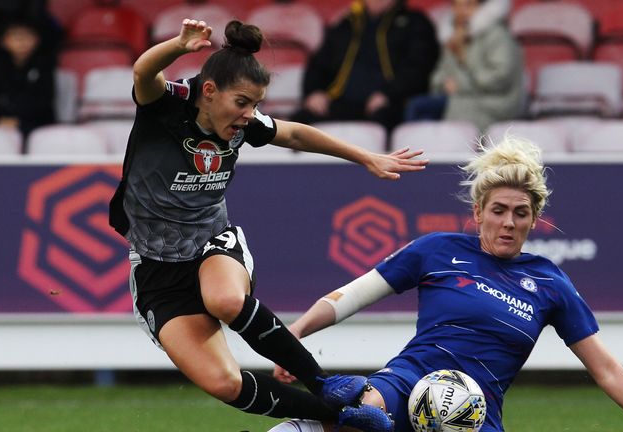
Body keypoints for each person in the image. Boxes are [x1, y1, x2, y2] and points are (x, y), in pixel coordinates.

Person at [109, 18, 430, 432]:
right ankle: (344, 418)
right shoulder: (166, 106)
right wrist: (179, 45)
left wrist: (366, 156)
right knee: (224, 384)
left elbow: (294, 134)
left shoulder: (245, 124)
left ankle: (323, 382)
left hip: (213, 241)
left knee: (224, 300)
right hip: (156, 267)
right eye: (242, 103)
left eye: (255, 105)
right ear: (209, 91)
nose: (249, 115)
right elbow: (142, 73)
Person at [269, 135, 623, 432]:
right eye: (498, 210)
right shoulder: (436, 249)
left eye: (520, 213)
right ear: (478, 212)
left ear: (535, 219)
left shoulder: (550, 283)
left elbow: (605, 368)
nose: (508, 222)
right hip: (405, 382)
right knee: (365, 409)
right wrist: (297, 332)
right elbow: (352, 295)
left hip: (475, 412)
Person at [290, 0, 439, 133]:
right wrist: (314, 92)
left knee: (383, 122)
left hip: (388, 106)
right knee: (294, 125)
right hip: (339, 103)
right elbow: (318, 64)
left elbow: (419, 68)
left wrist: (388, 94)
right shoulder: (347, 24)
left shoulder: (415, 22)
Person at [404, 0, 524, 131]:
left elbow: (500, 78)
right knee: (419, 110)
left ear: (483, 8)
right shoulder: (453, 36)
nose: (461, 11)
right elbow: (437, 76)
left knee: (420, 109)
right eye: (456, 5)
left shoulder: (497, 35)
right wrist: (444, 84)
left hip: (493, 104)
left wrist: (461, 81)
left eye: (468, 5)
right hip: (461, 100)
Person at [0, 17, 57, 146]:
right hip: (1, 122)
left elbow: (45, 101)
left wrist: (20, 121)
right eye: (15, 36)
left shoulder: (45, 66)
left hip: (37, 124)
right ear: (4, 41)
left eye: (27, 36)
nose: (21, 41)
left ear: (37, 39)